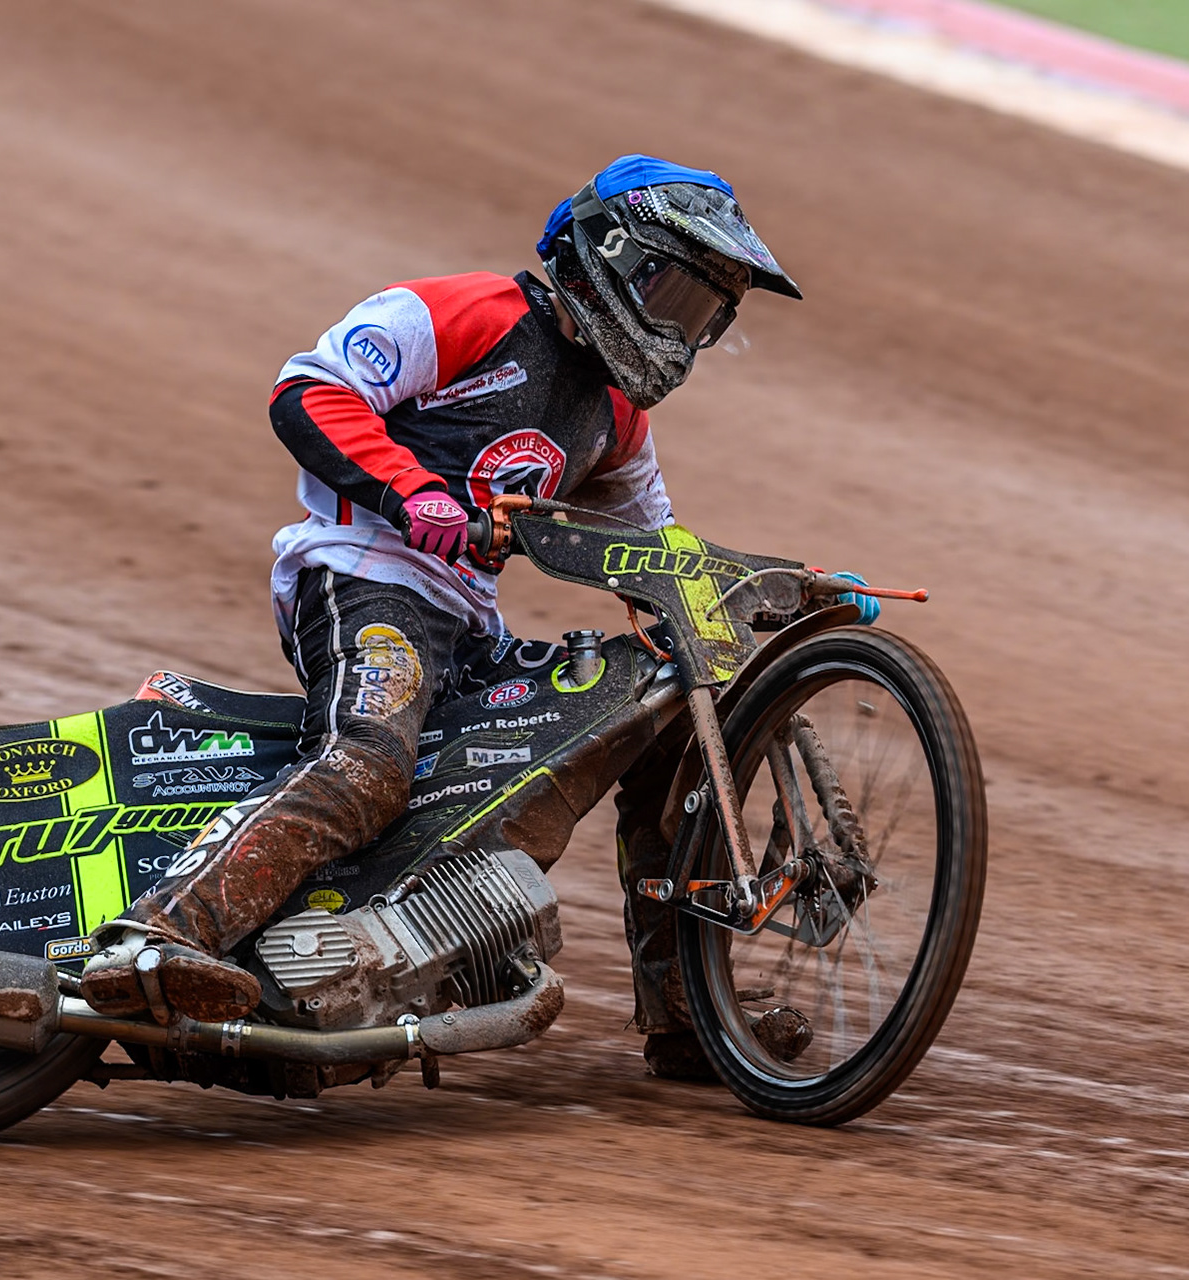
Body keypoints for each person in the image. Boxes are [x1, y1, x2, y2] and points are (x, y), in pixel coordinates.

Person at [82, 155, 803, 1054]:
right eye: (677, 296)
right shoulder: (470, 313)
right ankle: (157, 937)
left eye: (705, 314)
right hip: (359, 575)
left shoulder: (618, 418)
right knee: (370, 766)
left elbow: (657, 557)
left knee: (661, 718)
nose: (682, 332)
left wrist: (773, 597)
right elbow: (310, 391)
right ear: (612, 256)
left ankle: (691, 1022)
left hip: (467, 623)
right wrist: (418, 495)